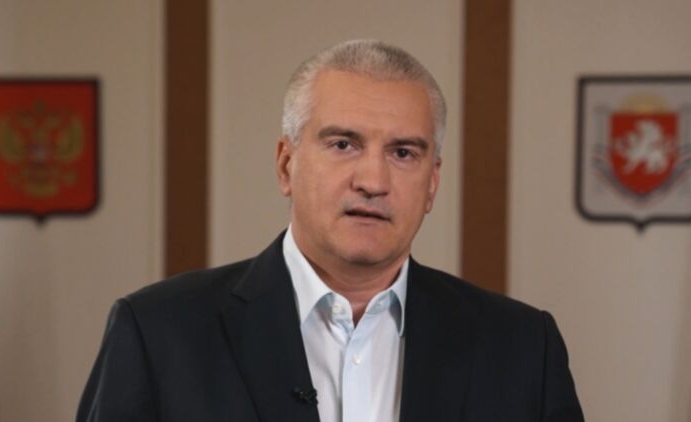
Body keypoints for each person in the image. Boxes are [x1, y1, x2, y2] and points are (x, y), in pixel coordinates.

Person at [77, 39, 583, 422]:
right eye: (343, 144)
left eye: (403, 153)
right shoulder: (158, 333)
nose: (373, 181)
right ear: (286, 165)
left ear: (432, 183)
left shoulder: (522, 348)